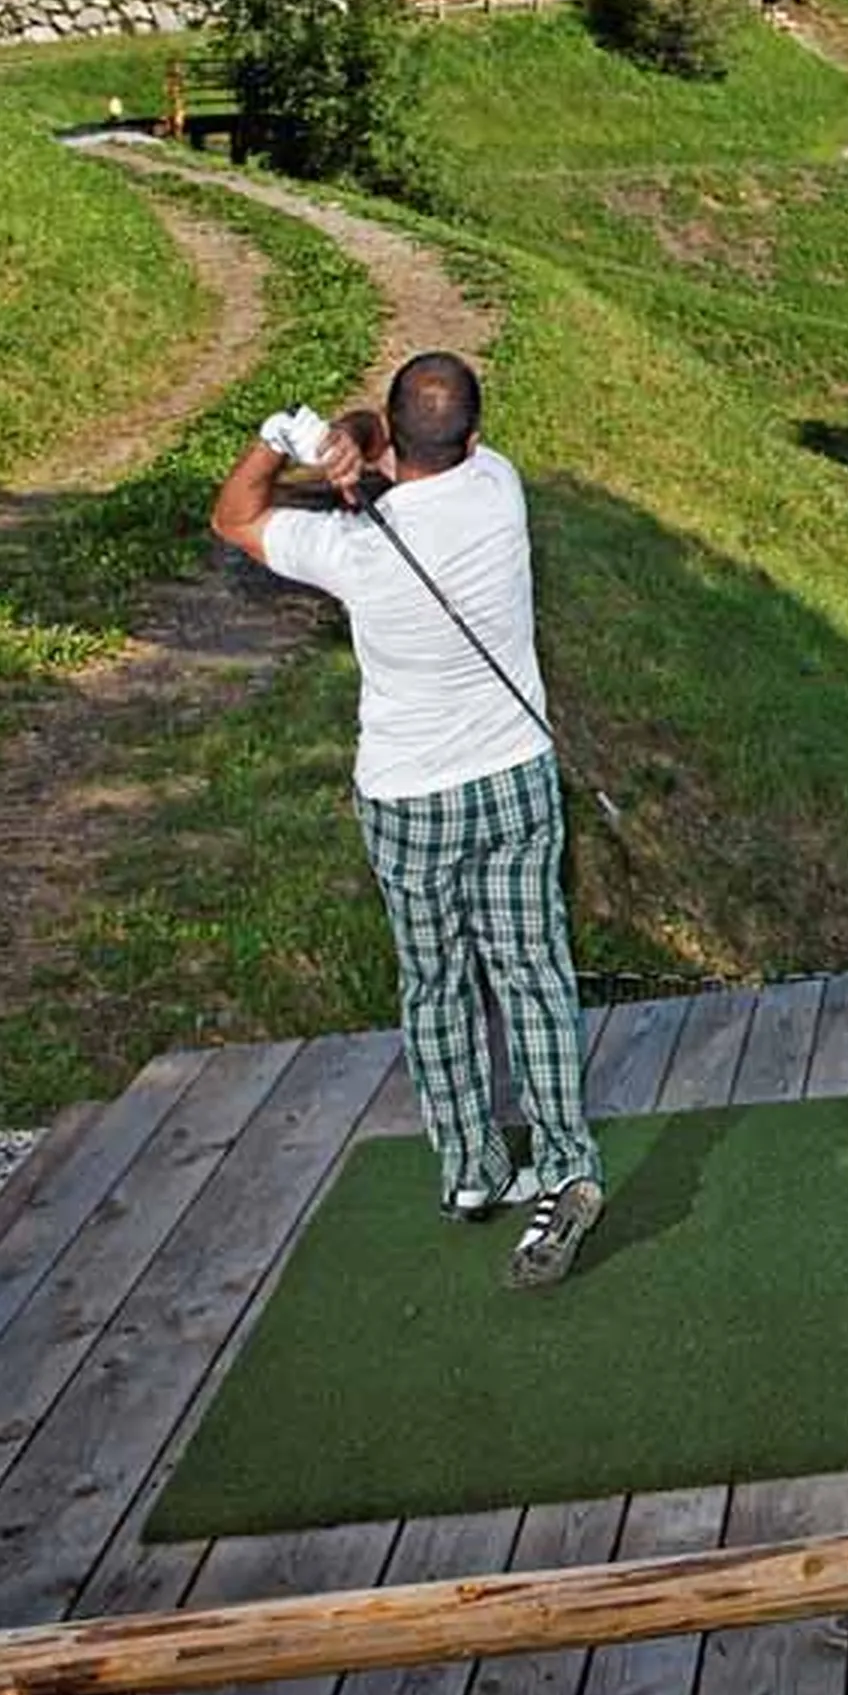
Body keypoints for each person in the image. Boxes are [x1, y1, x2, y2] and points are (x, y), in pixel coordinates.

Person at [210, 351, 604, 1290]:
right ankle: (565, 1165)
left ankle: (473, 1172)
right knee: (533, 972)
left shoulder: (349, 552)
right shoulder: (500, 487)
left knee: (436, 984)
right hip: (513, 776)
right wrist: (360, 443)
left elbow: (234, 517)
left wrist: (291, 439)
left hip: (408, 798)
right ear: (472, 436)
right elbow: (407, 439)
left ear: (390, 434)